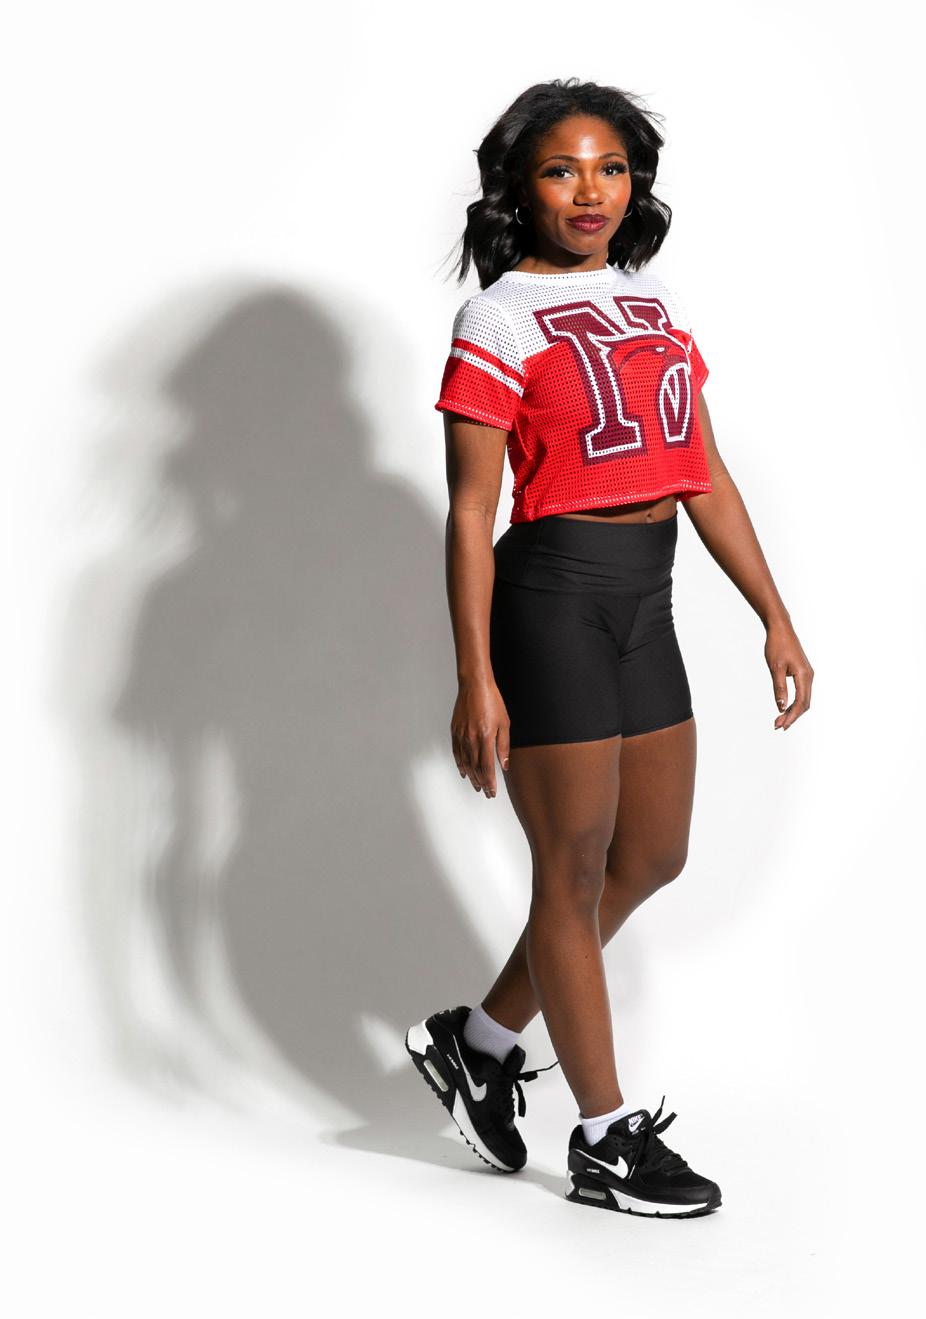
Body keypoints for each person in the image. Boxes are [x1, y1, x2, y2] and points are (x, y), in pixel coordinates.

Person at [405, 78, 813, 1219]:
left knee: (653, 855)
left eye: (611, 168)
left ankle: (480, 1041)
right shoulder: (495, 319)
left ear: (635, 183)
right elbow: (468, 510)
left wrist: (773, 613)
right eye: (561, 170)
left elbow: (700, 469)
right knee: (571, 869)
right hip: (551, 600)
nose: (590, 191)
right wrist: (476, 676)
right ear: (519, 188)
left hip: (649, 597)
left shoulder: (652, 300)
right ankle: (603, 1138)